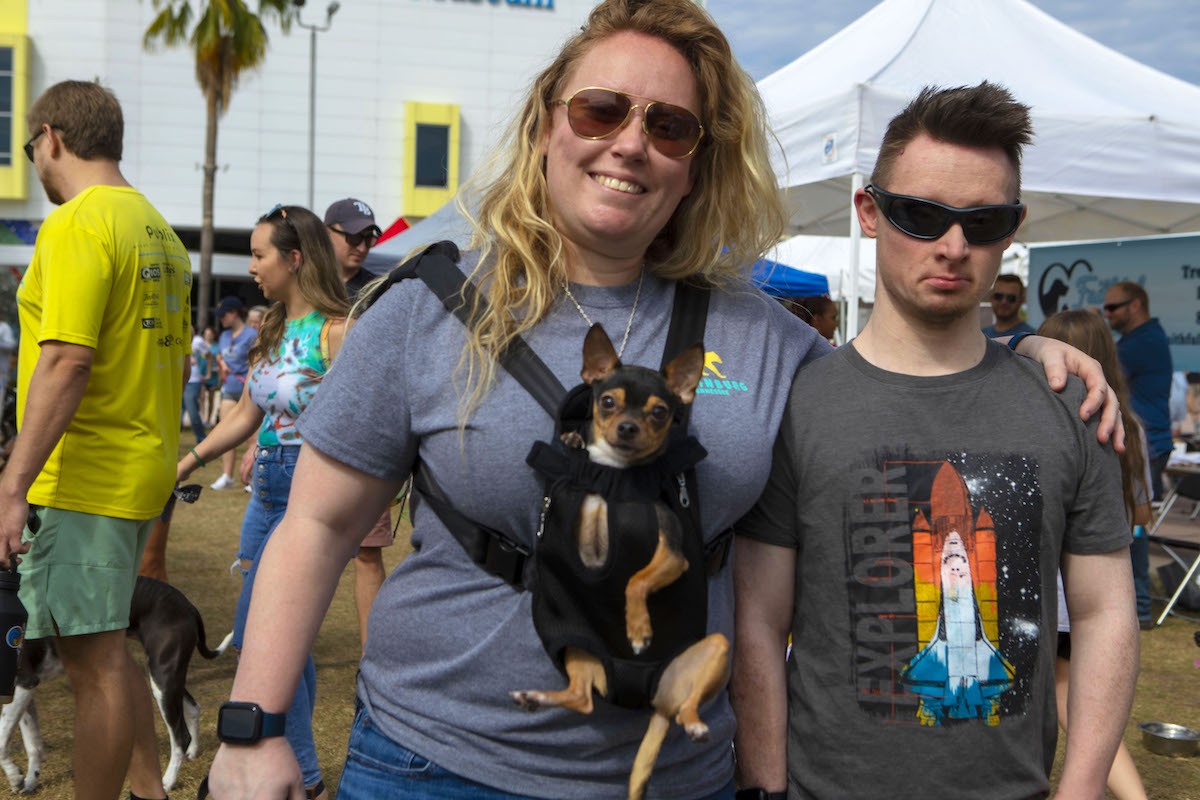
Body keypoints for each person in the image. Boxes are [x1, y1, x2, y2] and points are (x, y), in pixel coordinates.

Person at [204, 5, 1119, 797]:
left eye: (670, 126)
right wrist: (253, 724)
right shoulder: (427, 307)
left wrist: (1029, 351)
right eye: (601, 109)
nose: (631, 141)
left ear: (694, 164)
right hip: (437, 762)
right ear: (546, 126)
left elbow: (899, 375)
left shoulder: (768, 339)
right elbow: (316, 529)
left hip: (678, 773)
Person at [731, 83, 1139, 800]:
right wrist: (766, 788)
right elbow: (760, 621)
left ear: (1012, 229)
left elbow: (1106, 613)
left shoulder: (1070, 405)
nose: (953, 246)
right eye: (922, 215)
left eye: (982, 222)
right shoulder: (800, 404)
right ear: (870, 209)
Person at [0, 79, 190, 800]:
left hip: (87, 473)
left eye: (31, 148)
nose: (34, 163)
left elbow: (66, 358)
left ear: (51, 136)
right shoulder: (158, 230)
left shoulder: (79, 222)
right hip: (139, 468)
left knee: (94, 665)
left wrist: (12, 483)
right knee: (110, 649)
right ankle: (149, 789)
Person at [177, 204, 347, 800]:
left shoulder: (336, 330)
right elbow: (248, 415)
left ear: (294, 258)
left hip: (308, 489)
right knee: (276, 639)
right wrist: (189, 461)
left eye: (258, 254)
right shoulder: (270, 329)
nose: (250, 267)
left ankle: (300, 774)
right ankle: (302, 773)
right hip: (266, 489)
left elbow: (361, 421)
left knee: (263, 632)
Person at [1038, 309, 1150, 799]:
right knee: (1082, 699)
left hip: (1065, 585)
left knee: (1069, 695)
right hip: (1111, 568)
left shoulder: (1054, 417)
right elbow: (1143, 511)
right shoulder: (1132, 424)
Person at [323, 196, 395, 650]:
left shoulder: (382, 291)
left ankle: (372, 660)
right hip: (297, 440)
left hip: (364, 438)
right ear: (326, 233)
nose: (363, 245)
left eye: (369, 236)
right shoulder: (303, 285)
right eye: (352, 235)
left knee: (367, 554)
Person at [1104, 280, 1173, 501]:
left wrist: (1092, 328)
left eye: (1112, 308)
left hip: (1145, 444)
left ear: (1135, 306)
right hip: (1146, 442)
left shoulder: (1143, 342)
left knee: (1133, 523)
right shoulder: (1142, 338)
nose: (1107, 314)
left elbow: (1102, 372)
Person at [210, 296, 256, 490]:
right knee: (226, 431)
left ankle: (252, 477)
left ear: (234, 313)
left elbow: (257, 359)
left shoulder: (252, 334)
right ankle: (227, 476)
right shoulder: (224, 336)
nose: (221, 319)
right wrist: (221, 362)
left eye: (223, 315)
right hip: (229, 387)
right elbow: (220, 354)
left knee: (251, 436)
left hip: (248, 389)